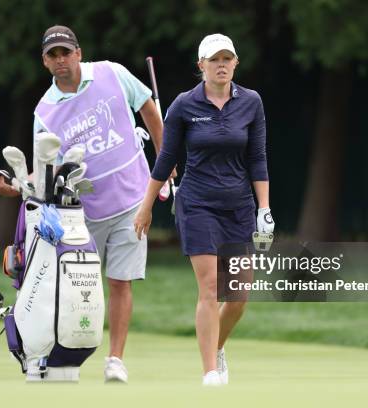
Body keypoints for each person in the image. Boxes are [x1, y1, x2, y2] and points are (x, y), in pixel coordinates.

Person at [0, 25, 165, 383]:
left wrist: (165, 160)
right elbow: (44, 170)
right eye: (53, 55)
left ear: (79, 53)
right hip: (84, 212)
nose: (61, 60)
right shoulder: (45, 112)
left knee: (120, 281)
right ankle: (63, 356)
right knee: (76, 285)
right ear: (45, 62)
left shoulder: (112, 73)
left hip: (133, 200)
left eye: (66, 52)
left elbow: (148, 108)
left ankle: (115, 359)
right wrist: (16, 188)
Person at [134, 33, 275, 386]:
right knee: (211, 286)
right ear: (202, 66)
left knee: (239, 294)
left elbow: (257, 158)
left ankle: (217, 346)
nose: (222, 65)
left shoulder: (251, 102)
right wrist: (146, 206)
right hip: (197, 204)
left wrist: (264, 209)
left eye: (228, 59)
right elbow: (166, 158)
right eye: (215, 60)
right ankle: (210, 370)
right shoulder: (184, 105)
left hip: (239, 207)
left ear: (236, 63)